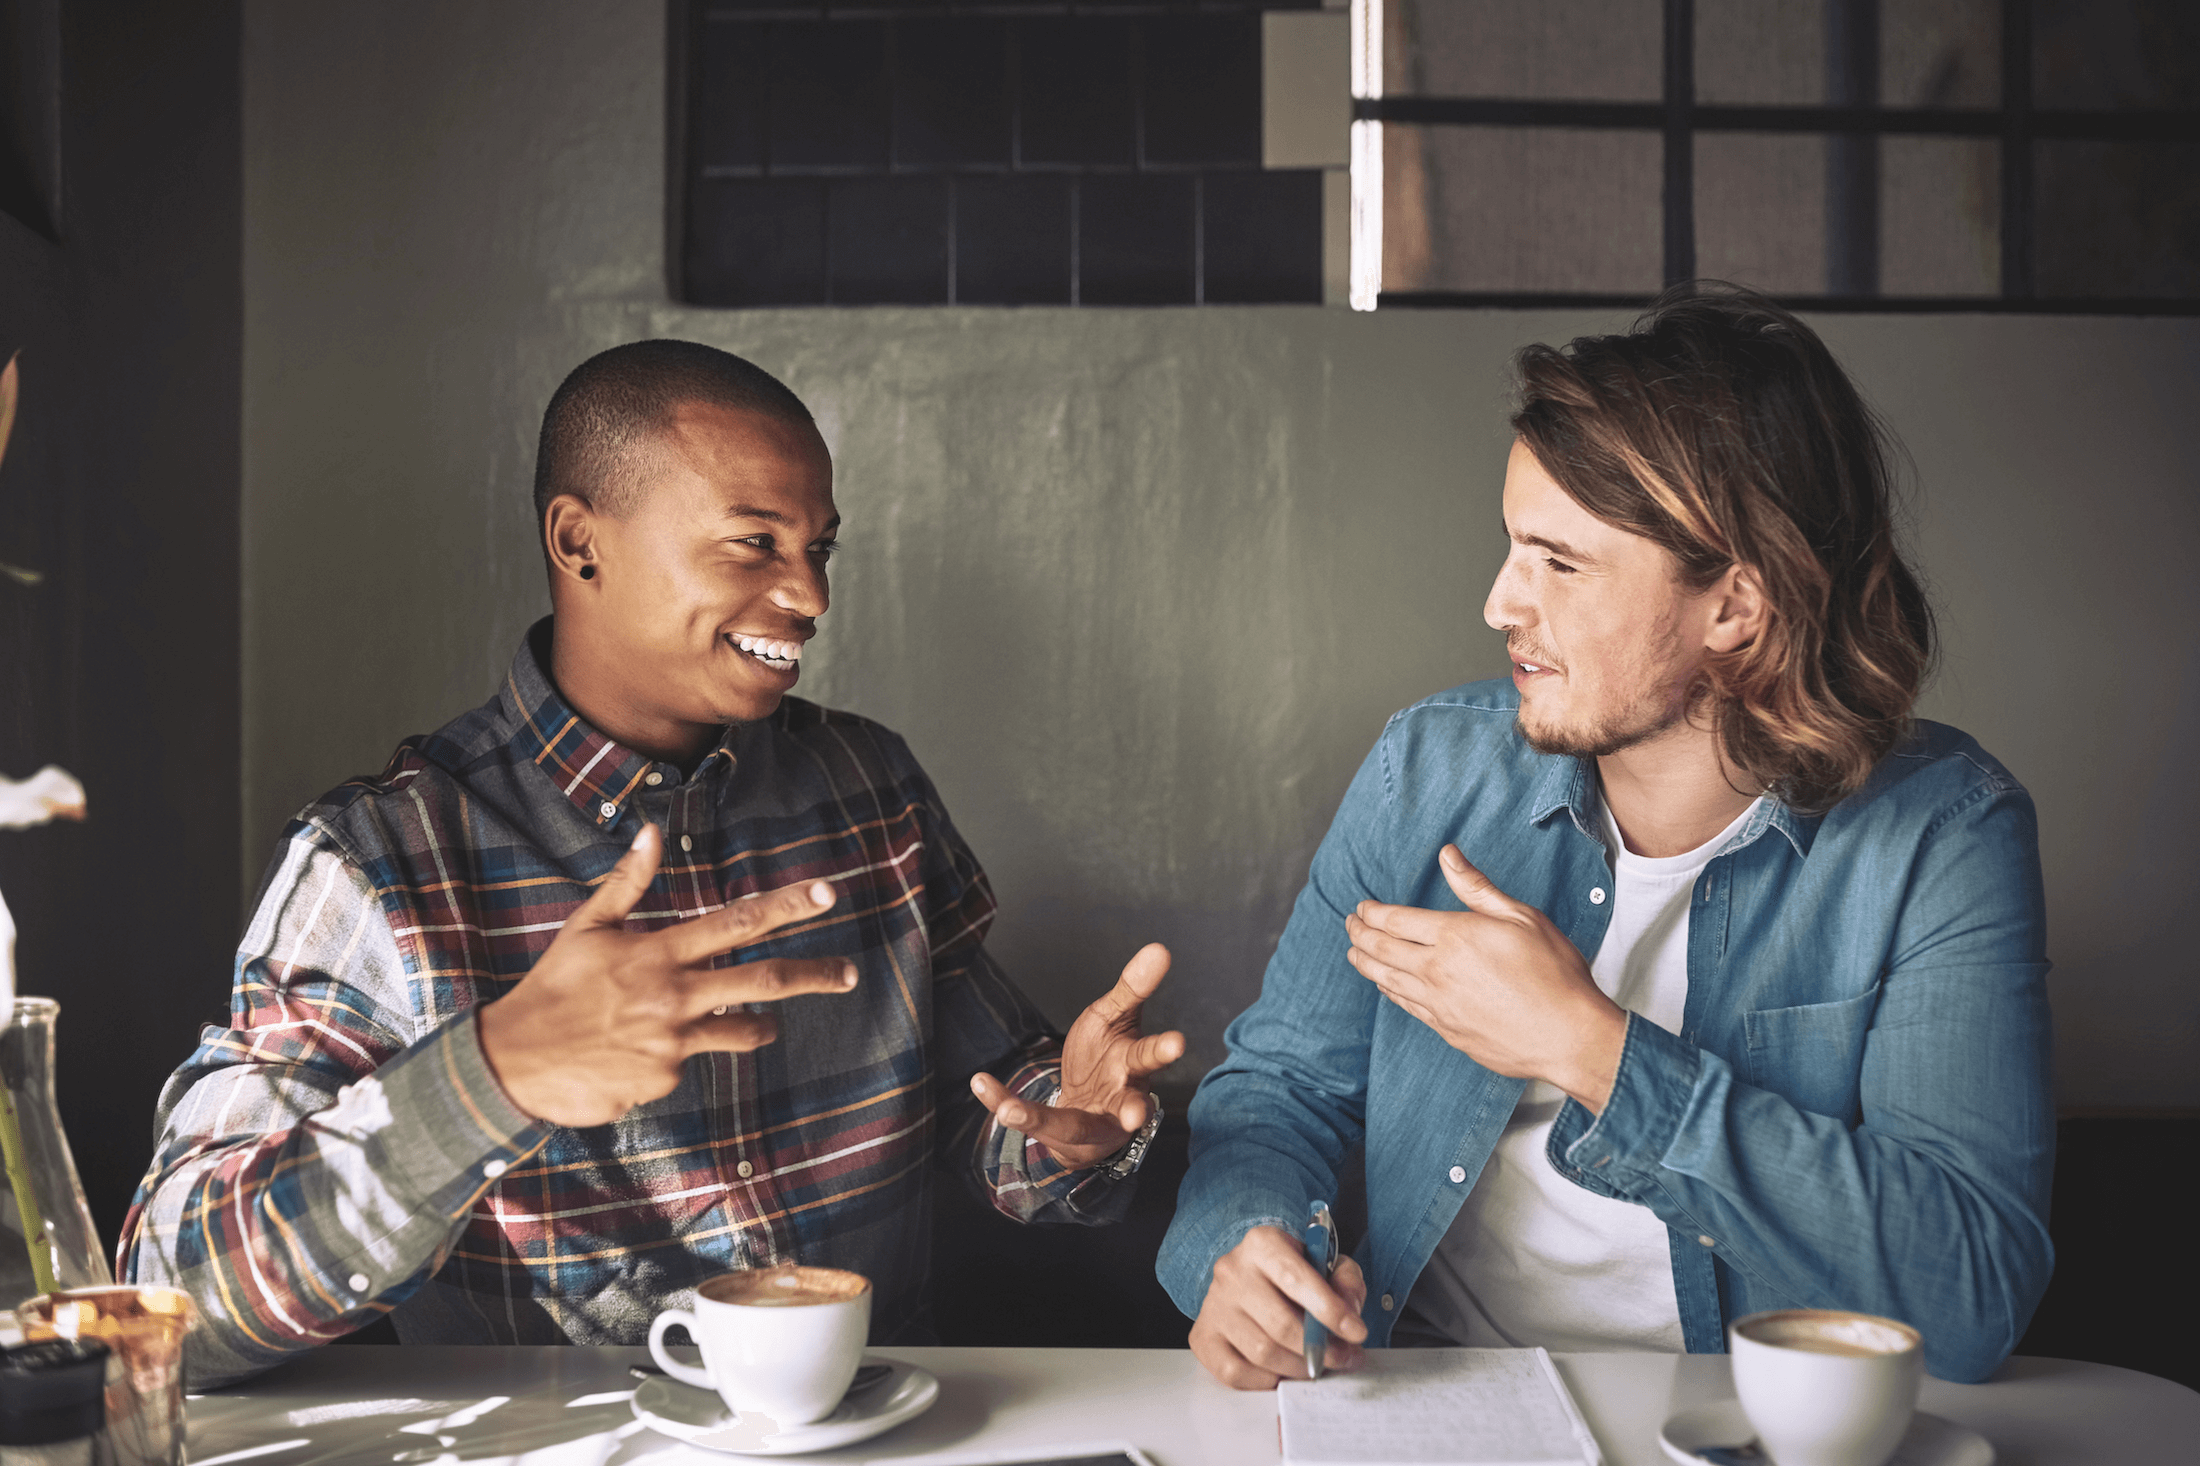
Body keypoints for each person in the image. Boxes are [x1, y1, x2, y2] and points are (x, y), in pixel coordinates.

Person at [120, 340, 1184, 1386]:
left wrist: (1074, 1133)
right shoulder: (376, 861)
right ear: (580, 541)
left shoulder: (870, 785)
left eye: (820, 547)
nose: (809, 596)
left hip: (882, 1437)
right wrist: (495, 1073)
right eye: (753, 543)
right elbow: (172, 1305)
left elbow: (995, 1115)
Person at [1158, 286, 2053, 1388]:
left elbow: (1967, 1294)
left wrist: (1593, 1048)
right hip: (1425, 1399)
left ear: (1734, 605)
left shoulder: (1941, 835)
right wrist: (1241, 1256)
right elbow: (1276, 1094)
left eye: (1561, 563)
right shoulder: (1426, 772)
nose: (1499, 602)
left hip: (1751, 1426)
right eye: (1511, 547)